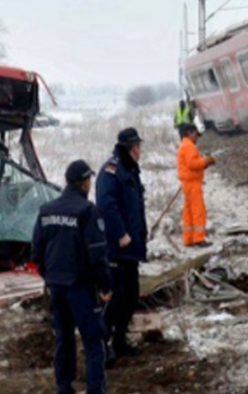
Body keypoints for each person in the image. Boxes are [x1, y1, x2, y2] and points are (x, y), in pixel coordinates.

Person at [32, 160, 113, 394]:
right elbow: (98, 252)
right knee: (93, 339)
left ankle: (63, 386)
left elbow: (36, 251)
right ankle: (95, 388)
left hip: (56, 286)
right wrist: (106, 285)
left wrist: (49, 276)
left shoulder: (46, 210)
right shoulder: (87, 211)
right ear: (85, 182)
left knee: (64, 337)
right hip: (81, 286)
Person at [95, 127, 148, 365]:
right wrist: (121, 234)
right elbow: (106, 205)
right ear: (130, 148)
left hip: (132, 248)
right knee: (115, 298)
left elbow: (135, 206)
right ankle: (101, 345)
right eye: (138, 146)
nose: (140, 150)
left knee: (130, 296)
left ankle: (119, 341)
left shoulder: (130, 170)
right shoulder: (112, 171)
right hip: (118, 247)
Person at [177, 123, 216, 248]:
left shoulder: (185, 145)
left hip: (187, 183)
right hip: (192, 184)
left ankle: (188, 239)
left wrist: (204, 164)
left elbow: (192, 165)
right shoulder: (189, 146)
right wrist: (206, 160)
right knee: (198, 211)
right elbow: (192, 164)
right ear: (189, 133)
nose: (197, 137)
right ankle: (199, 239)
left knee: (188, 212)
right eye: (195, 134)